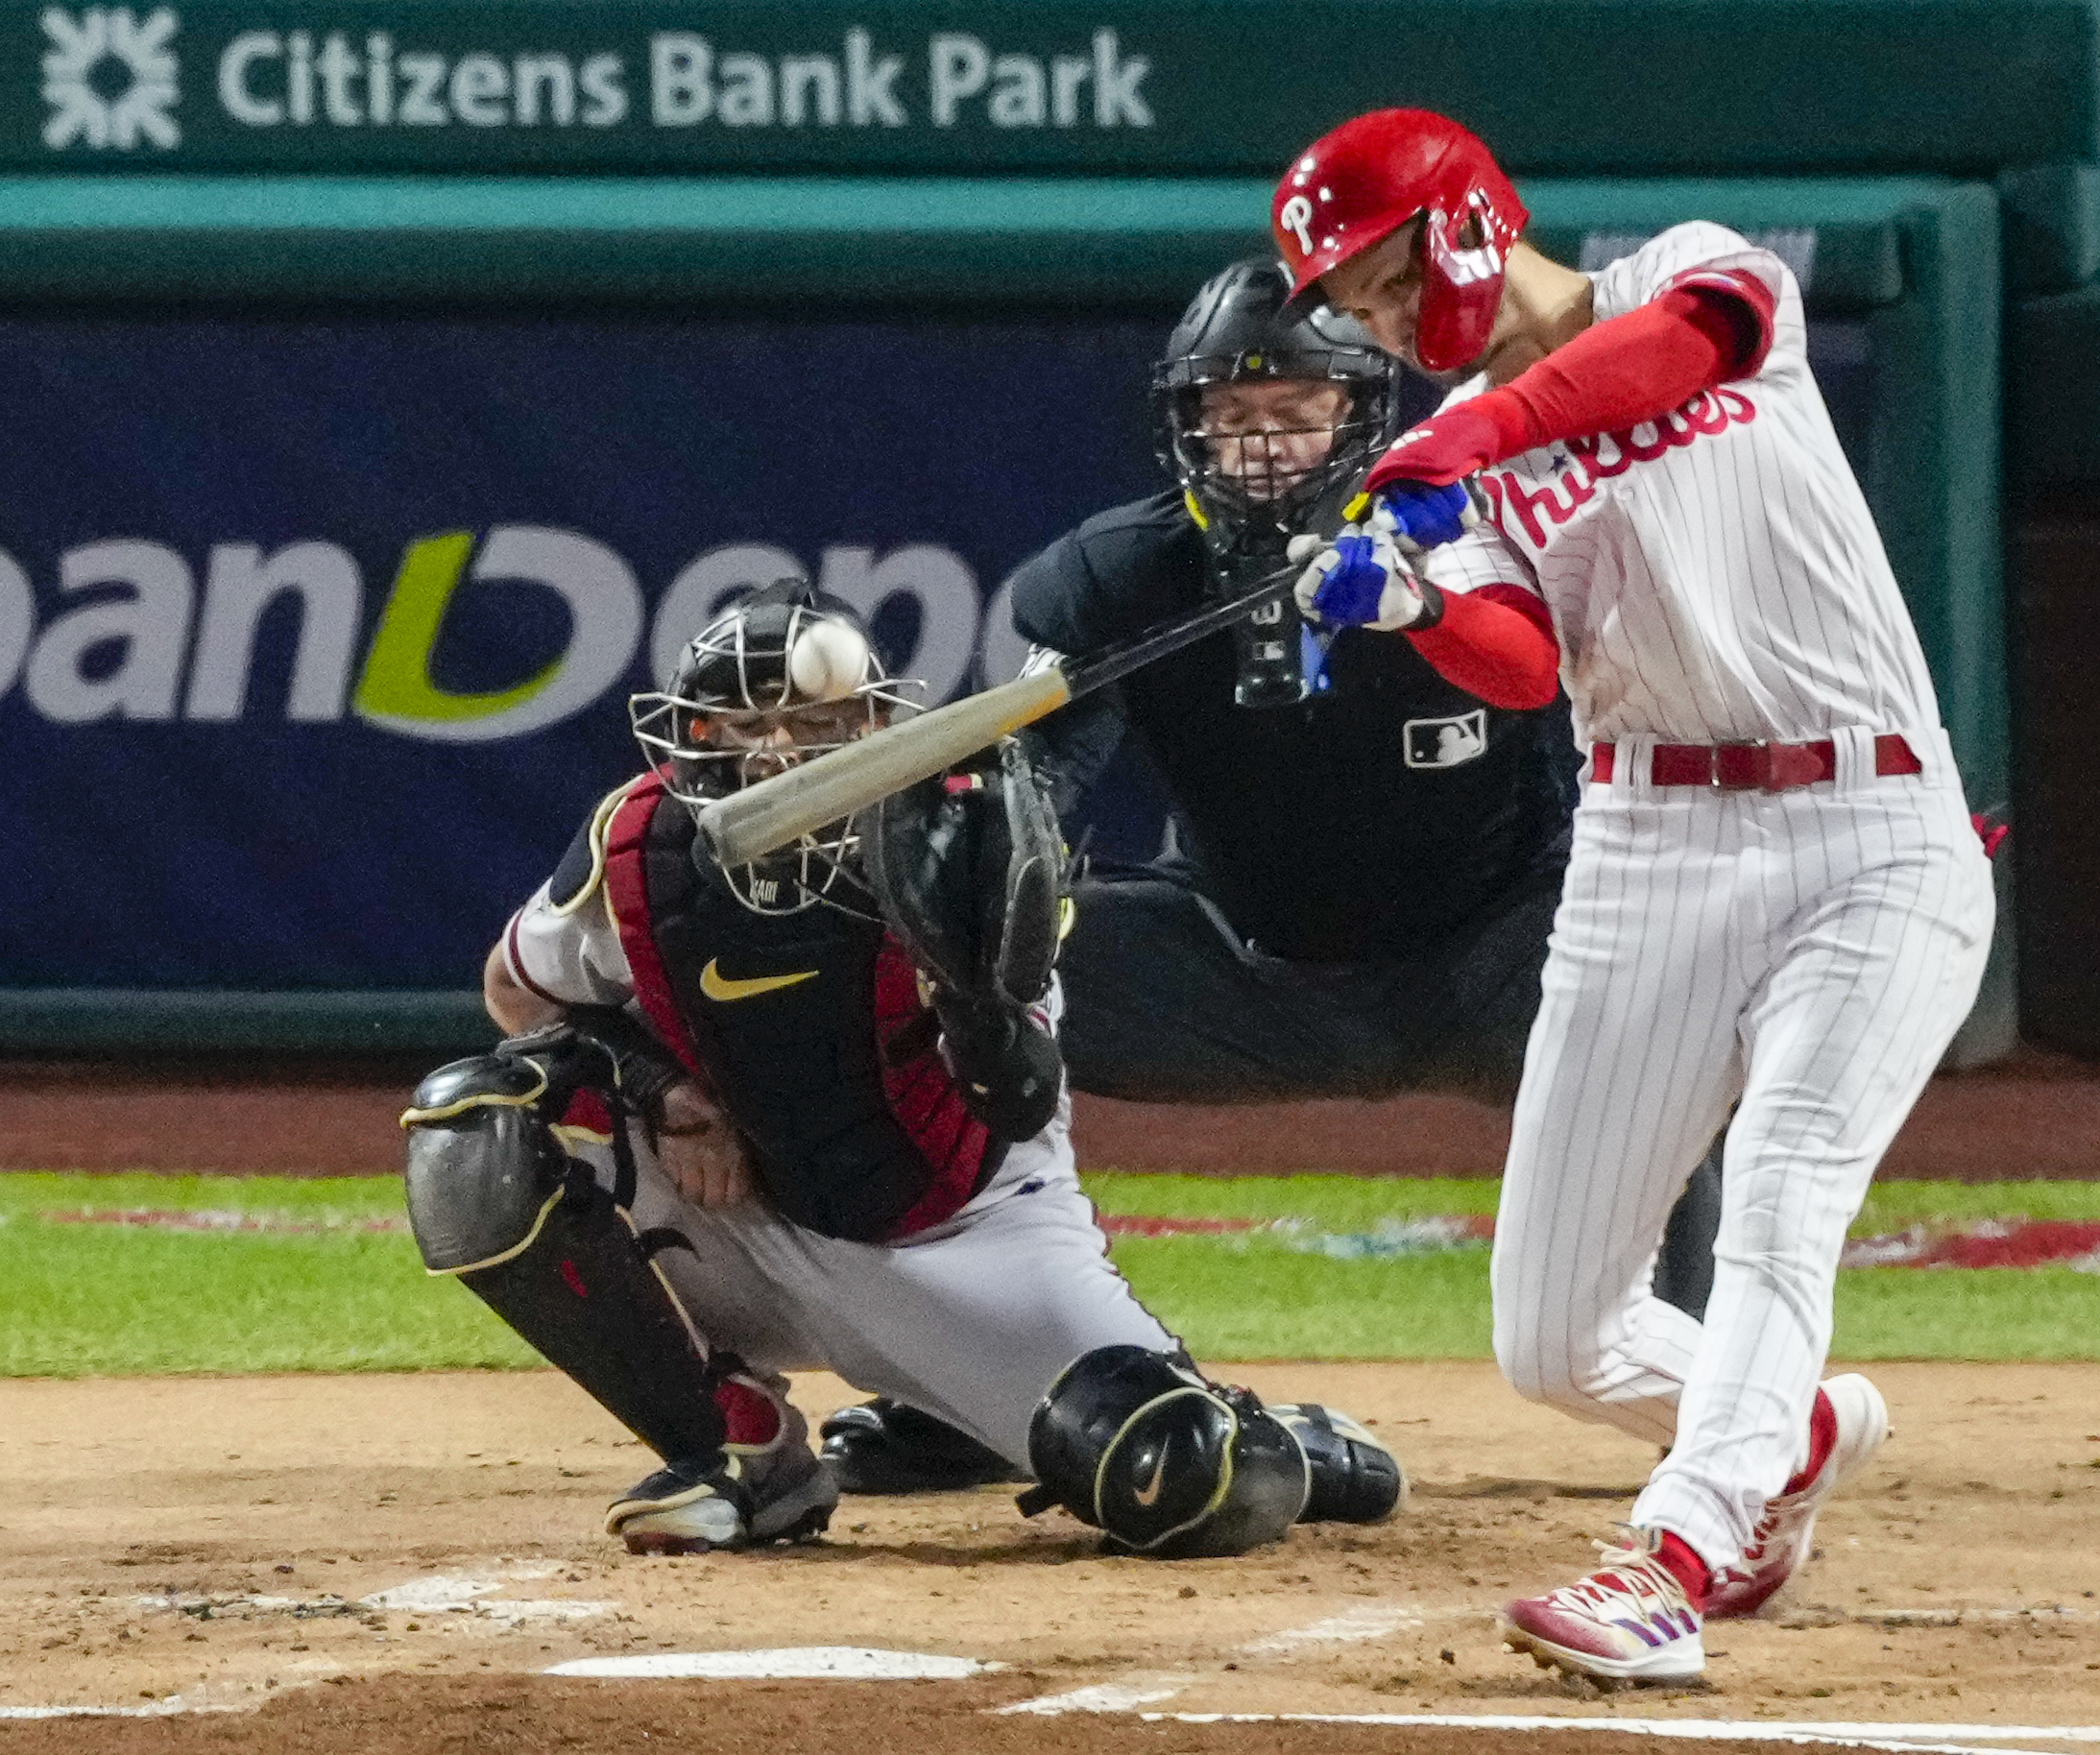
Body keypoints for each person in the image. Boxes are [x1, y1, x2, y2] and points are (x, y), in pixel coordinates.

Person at [1272, 108, 1995, 1683]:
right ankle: (1777, 1424)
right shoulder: (1453, 460)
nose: (1380, 322)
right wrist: (1404, 593)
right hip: (1647, 844)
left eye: (1384, 277)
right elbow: (1521, 663)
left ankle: (1669, 1550)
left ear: (1459, 218)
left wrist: (1461, 446)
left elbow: (1671, 357)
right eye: (1354, 305)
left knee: (1778, 1194)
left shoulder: (1688, 275)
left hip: (1869, 823)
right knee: (1551, 1331)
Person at [819, 258, 1724, 1497]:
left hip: (1498, 960)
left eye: (1293, 413)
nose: (1259, 447)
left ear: (1360, 416)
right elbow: (1031, 788)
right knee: (942, 975)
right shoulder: (1115, 577)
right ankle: (977, 1385)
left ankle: (1710, 1399)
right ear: (1183, 425)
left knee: (1663, 984)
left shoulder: (1484, 549)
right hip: (1238, 973)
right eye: (1230, 418)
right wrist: (968, 885)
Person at [400, 577, 1404, 1558]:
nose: (776, 757)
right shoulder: (642, 839)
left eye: (812, 723)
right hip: (751, 1212)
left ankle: (1285, 1445)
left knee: (1180, 1477)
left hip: (966, 1240)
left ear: (875, 724)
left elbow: (1018, 1095)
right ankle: (739, 1451)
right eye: (741, 728)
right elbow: (517, 990)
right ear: (690, 738)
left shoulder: (969, 834)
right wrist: (672, 1093)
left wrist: (967, 983)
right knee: (474, 1129)